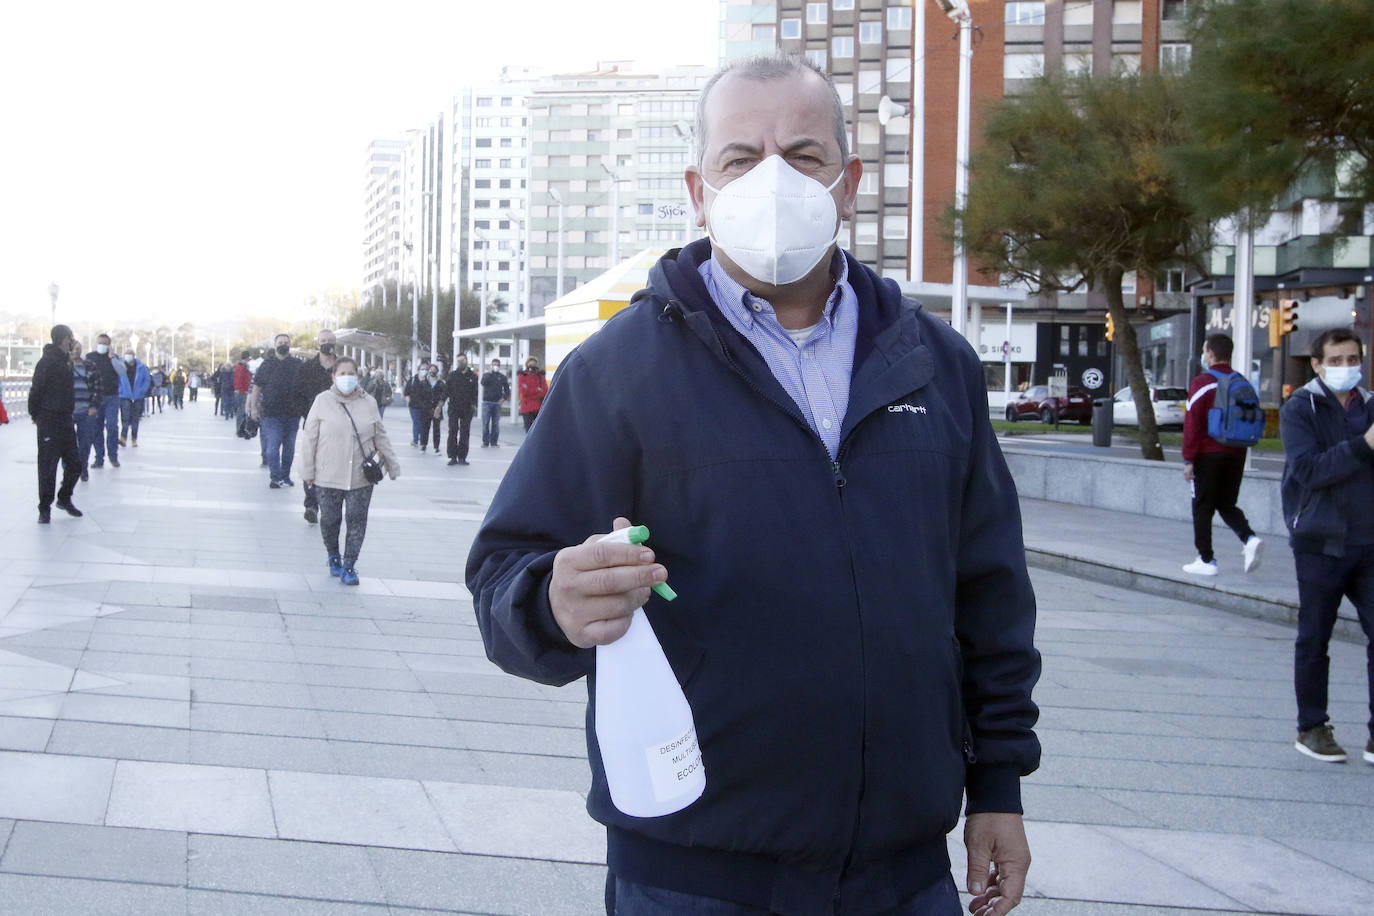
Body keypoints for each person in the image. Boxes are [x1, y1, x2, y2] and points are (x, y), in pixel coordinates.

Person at [467, 55, 1041, 916]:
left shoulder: (936, 366)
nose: (773, 178)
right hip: (695, 870)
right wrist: (552, 601)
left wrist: (998, 784)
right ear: (700, 191)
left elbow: (989, 592)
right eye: (741, 159)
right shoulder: (619, 370)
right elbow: (502, 573)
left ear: (847, 185)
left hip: (904, 873)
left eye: (804, 156)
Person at [1279, 327, 1374, 766]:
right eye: (1334, 361)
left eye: (1351, 359)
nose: (1345, 368)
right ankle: (1312, 727)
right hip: (1319, 541)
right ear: (1316, 364)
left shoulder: (1369, 405)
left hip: (1368, 541)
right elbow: (1309, 470)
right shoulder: (1301, 407)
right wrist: (1363, 446)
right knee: (1315, 637)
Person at [299, 356, 400, 586]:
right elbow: (309, 439)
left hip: (360, 477)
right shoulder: (322, 401)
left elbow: (380, 435)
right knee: (330, 521)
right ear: (334, 377)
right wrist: (308, 472)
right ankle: (333, 556)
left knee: (357, 522)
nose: (347, 378)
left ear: (358, 376)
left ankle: (349, 565)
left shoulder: (369, 402)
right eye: (341, 374)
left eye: (350, 374)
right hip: (327, 476)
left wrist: (392, 464)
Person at [1181, 333, 1263, 577]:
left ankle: (1206, 559)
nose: (1204, 356)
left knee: (1202, 506)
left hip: (1208, 454)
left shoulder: (1202, 382)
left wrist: (1189, 459)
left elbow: (1192, 423)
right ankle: (1249, 539)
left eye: (1205, 351)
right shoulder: (1241, 381)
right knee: (1226, 503)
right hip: (1237, 452)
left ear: (1212, 354)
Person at [28, 325, 84, 523]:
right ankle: (45, 508)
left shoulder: (66, 361)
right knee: (48, 465)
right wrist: (35, 414)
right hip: (49, 419)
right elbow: (36, 390)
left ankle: (64, 497)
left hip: (66, 420)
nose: (73, 341)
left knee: (75, 464)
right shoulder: (47, 362)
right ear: (64, 339)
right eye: (71, 338)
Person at [292, 330, 339, 524]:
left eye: (329, 341)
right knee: (311, 461)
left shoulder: (343, 366)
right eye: (323, 341)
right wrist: (308, 415)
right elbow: (297, 394)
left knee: (334, 464)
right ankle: (311, 504)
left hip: (338, 426)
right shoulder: (307, 368)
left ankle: (329, 502)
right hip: (314, 424)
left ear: (335, 344)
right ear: (317, 344)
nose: (326, 344)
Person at [250, 332, 304, 489]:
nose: (283, 345)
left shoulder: (297, 364)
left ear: (290, 345)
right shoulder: (267, 364)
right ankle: (275, 477)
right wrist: (253, 408)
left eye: (286, 342)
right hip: (271, 414)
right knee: (272, 447)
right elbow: (257, 387)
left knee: (289, 448)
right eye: (280, 342)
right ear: (275, 346)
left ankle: (285, 476)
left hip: (293, 414)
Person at [85, 333, 123, 468]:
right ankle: (99, 458)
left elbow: (122, 371)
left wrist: (112, 358)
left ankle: (113, 456)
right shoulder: (90, 358)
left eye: (104, 344)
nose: (101, 346)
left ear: (109, 345)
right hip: (96, 397)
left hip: (112, 397)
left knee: (112, 426)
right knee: (97, 428)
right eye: (99, 343)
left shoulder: (115, 358)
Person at [69, 339, 104, 482]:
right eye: (73, 348)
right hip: (68, 411)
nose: (76, 351)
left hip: (87, 410)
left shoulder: (90, 366)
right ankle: (70, 471)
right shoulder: (64, 367)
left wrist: (94, 406)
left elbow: (98, 387)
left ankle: (82, 468)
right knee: (68, 444)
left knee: (85, 442)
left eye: (79, 348)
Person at [445, 355, 479, 465]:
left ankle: (462, 457)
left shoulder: (473, 376)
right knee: (453, 430)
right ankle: (452, 456)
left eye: (462, 360)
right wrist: (440, 404)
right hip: (454, 407)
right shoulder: (452, 376)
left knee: (465, 432)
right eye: (458, 361)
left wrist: (475, 405)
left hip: (467, 408)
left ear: (466, 361)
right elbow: (446, 391)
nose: (460, 362)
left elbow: (475, 393)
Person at [118, 348, 151, 448]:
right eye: (126, 354)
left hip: (137, 397)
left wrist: (142, 391)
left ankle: (134, 439)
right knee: (125, 418)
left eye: (129, 354)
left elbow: (147, 379)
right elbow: (117, 379)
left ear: (134, 356)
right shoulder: (121, 366)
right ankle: (123, 438)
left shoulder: (141, 367)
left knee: (135, 419)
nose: (127, 356)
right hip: (125, 396)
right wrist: (120, 390)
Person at [479, 358, 510, 447]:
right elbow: (483, 382)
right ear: (491, 365)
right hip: (487, 402)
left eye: (497, 365)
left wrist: (503, 399)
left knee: (495, 424)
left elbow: (507, 390)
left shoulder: (502, 377)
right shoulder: (487, 375)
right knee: (485, 423)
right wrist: (489, 372)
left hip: (497, 403)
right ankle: (485, 442)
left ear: (499, 366)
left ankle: (494, 442)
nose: (495, 366)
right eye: (494, 365)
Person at [403, 364, 432, 448]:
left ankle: (422, 439)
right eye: (422, 369)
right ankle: (415, 439)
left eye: (425, 369)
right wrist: (408, 401)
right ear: (418, 370)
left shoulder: (428, 381)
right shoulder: (412, 380)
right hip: (414, 405)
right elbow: (406, 392)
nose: (424, 371)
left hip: (425, 406)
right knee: (416, 422)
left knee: (423, 423)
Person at [517, 357, 547, 432]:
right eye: (530, 364)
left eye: (534, 364)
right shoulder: (522, 375)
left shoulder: (540, 376)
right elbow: (523, 391)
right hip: (526, 408)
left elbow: (544, 391)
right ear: (527, 365)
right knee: (528, 430)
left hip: (538, 408)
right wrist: (537, 390)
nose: (532, 367)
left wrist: (529, 390)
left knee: (539, 431)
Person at [232, 351, 253, 435]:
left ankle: (241, 428)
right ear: (247, 357)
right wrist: (243, 390)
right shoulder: (243, 367)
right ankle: (240, 429)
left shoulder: (239, 366)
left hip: (240, 390)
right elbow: (242, 380)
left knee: (242, 411)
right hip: (242, 391)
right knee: (242, 411)